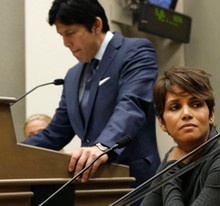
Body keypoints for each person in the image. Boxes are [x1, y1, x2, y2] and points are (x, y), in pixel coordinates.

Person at [22, 0, 160, 188]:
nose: (65, 43)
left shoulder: (135, 51)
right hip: (92, 185)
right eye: (61, 35)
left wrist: (102, 146)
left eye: (70, 33)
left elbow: (131, 105)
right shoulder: (72, 76)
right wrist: (11, 151)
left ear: (96, 25)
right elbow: (56, 133)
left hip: (135, 181)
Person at [141, 66, 220, 205]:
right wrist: (171, 168)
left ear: (211, 114)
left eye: (196, 104)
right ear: (162, 122)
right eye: (175, 107)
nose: (186, 113)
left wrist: (171, 172)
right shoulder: (174, 156)